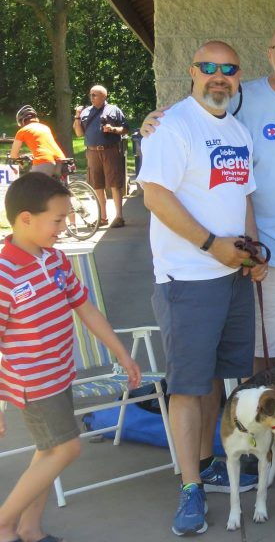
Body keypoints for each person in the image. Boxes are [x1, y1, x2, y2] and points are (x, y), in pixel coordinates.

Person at [141, 22, 275, 380]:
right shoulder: (242, 97)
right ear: (269, 54)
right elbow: (200, 114)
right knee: (264, 351)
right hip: (266, 252)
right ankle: (263, 425)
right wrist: (156, 120)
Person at [139, 41, 268, 536]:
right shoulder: (173, 126)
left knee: (216, 377)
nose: (219, 76)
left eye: (228, 69)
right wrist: (212, 245)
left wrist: (252, 254)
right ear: (192, 73)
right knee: (189, 386)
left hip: (231, 275)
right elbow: (155, 195)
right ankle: (190, 486)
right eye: (209, 68)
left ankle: (209, 461)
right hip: (187, 279)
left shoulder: (236, 129)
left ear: (238, 76)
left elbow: (244, 195)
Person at [0, 173, 141, 542]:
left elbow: (85, 308)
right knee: (66, 447)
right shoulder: (5, 273)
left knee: (48, 451)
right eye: (58, 220)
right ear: (26, 219)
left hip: (59, 374)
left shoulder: (56, 260)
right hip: (33, 383)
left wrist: (120, 352)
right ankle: (3, 523)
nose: (66, 226)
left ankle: (29, 529)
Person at [73, 86, 129, 228]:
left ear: (104, 96)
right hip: (92, 152)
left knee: (115, 183)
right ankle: (103, 217)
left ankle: (119, 216)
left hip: (110, 150)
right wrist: (77, 116)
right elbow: (79, 133)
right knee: (97, 184)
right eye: (91, 95)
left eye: (95, 95)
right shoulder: (85, 112)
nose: (92, 97)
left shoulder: (113, 110)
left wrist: (112, 129)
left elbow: (125, 128)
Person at [8, 106, 65, 178]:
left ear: (22, 121)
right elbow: (44, 146)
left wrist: (20, 162)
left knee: (30, 186)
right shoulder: (45, 127)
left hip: (44, 161)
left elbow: (13, 155)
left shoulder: (23, 131)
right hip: (61, 160)